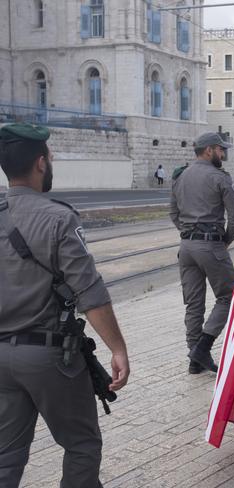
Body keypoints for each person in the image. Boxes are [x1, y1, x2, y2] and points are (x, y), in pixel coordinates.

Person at [0, 123, 130, 488]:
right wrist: (117, 348)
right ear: (41, 163)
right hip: (49, 357)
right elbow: (89, 291)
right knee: (82, 445)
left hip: (1, 358)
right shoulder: (58, 217)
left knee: (6, 458)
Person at [169, 132, 234, 374]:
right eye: (221, 149)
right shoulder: (219, 177)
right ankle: (203, 347)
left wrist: (187, 232)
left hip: (186, 247)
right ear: (209, 150)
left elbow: (172, 213)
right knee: (229, 297)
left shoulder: (181, 177)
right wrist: (225, 241)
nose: (223, 154)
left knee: (193, 303)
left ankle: (194, 359)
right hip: (211, 245)